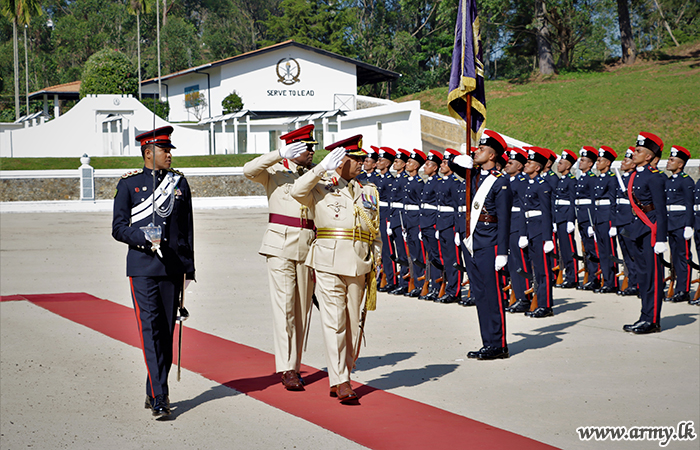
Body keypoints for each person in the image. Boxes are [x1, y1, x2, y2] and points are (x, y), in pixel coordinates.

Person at [290, 135, 381, 404]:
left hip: (359, 264)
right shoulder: (320, 187)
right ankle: (341, 380)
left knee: (354, 323)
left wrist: (377, 259)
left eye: (363, 159)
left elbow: (374, 231)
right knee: (335, 322)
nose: (362, 163)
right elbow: (296, 191)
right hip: (328, 262)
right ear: (341, 161)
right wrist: (321, 168)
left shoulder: (368, 191)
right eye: (357, 159)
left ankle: (344, 371)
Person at [112, 126, 195, 419]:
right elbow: (118, 228)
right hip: (142, 268)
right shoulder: (128, 185)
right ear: (148, 153)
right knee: (151, 331)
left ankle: (152, 389)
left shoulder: (179, 183)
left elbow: (186, 231)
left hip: (172, 269)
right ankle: (161, 395)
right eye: (164, 150)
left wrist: (189, 268)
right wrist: (141, 238)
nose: (170, 154)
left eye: (170, 149)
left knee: (166, 334)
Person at [242, 124, 317, 391]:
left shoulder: (315, 174)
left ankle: (295, 365)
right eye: (307, 147)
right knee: (284, 307)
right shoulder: (274, 172)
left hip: (308, 246)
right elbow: (248, 170)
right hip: (280, 245)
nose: (311, 152)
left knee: (301, 310)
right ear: (294, 147)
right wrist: (278, 153)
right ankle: (287, 368)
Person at [460, 130, 512, 360]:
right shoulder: (475, 177)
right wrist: (456, 160)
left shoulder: (501, 182)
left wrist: (502, 252)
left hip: (490, 244)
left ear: (492, 155)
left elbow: (504, 220)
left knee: (493, 296)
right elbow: (456, 165)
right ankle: (487, 342)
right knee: (480, 295)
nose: (476, 151)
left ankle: (499, 345)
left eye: (481, 149)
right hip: (473, 242)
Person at [622, 132, 668, 334]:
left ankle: (653, 320)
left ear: (649, 156)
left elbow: (660, 209)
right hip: (638, 230)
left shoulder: (655, 177)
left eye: (639, 151)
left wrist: (661, 238)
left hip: (651, 229)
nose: (634, 153)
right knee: (642, 276)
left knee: (653, 277)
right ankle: (644, 316)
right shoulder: (634, 175)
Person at [521, 147, 556, 318]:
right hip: (530, 230)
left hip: (540, 232)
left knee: (543, 270)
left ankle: (546, 305)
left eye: (529, 162)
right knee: (536, 270)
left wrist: (548, 238)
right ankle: (539, 302)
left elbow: (546, 211)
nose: (525, 164)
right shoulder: (528, 185)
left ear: (537, 167)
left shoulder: (543, 185)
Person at [504, 147, 535, 313]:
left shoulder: (522, 182)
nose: (507, 164)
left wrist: (523, 232)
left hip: (517, 225)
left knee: (520, 262)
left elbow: (524, 207)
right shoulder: (507, 180)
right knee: (512, 262)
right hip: (508, 224)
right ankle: (517, 294)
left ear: (520, 166)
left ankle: (526, 297)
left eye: (511, 162)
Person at [663, 145, 694, 303]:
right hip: (670, 222)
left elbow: (690, 204)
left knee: (683, 257)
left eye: (672, 160)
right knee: (674, 257)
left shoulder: (686, 181)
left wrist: (689, 225)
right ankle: (676, 287)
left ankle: (684, 290)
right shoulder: (668, 181)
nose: (668, 162)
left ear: (680, 164)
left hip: (681, 223)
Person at [434, 148, 463, 304]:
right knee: (446, 259)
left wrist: (457, 230)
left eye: (445, 163)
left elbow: (458, 208)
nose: (442, 165)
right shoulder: (441, 182)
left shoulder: (455, 183)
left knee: (453, 260)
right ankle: (450, 288)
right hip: (442, 224)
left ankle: (455, 291)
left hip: (451, 224)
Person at [592, 146, 619, 293]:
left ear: (607, 163)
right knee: (601, 251)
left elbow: (613, 202)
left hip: (607, 217)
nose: (597, 163)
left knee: (609, 251)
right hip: (598, 218)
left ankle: (613, 282)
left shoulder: (612, 179)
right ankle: (606, 280)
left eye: (600, 160)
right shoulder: (598, 179)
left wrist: (614, 223)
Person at [613, 148, 640, 297]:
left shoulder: (635, 178)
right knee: (626, 255)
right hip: (621, 221)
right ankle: (631, 282)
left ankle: (636, 283)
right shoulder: (622, 178)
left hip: (629, 221)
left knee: (634, 253)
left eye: (626, 160)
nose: (623, 162)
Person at [418, 150, 444, 301]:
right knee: (431, 256)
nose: (425, 167)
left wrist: (436, 226)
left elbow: (438, 206)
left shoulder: (438, 183)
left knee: (436, 256)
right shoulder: (429, 182)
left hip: (432, 223)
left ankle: (439, 284)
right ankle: (434, 286)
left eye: (428, 165)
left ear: (435, 168)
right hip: (426, 223)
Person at [575, 146, 601, 290]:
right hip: (582, 216)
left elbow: (592, 200)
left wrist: (592, 223)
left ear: (590, 164)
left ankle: (595, 277)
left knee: (592, 249)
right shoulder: (582, 178)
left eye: (583, 160)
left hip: (589, 217)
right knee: (586, 249)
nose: (580, 162)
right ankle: (591, 276)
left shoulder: (591, 179)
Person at [402, 149, 427, 297]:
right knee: (411, 253)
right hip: (407, 220)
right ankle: (415, 284)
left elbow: (420, 205)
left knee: (418, 254)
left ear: (416, 166)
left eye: (410, 162)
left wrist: (419, 225)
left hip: (415, 219)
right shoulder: (408, 181)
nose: (407, 164)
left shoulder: (418, 183)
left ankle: (420, 283)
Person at [553, 149, 579, 289]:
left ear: (568, 166)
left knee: (569, 249)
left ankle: (572, 277)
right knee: (563, 249)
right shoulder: (561, 180)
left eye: (561, 163)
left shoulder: (571, 181)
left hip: (565, 218)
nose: (558, 165)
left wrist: (570, 220)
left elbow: (572, 201)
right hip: (559, 217)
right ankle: (568, 275)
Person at [387, 149, 412, 295]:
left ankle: (405, 282)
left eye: (397, 162)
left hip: (401, 218)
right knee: (399, 252)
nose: (394, 164)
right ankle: (401, 281)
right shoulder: (397, 179)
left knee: (403, 253)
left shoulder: (404, 179)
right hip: (394, 217)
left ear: (403, 164)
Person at [375, 147, 398, 292]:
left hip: (385, 216)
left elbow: (391, 202)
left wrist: (389, 220)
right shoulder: (379, 179)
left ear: (388, 163)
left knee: (388, 250)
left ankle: (392, 279)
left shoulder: (390, 181)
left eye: (381, 160)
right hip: (377, 215)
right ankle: (380, 277)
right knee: (378, 250)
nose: (378, 162)